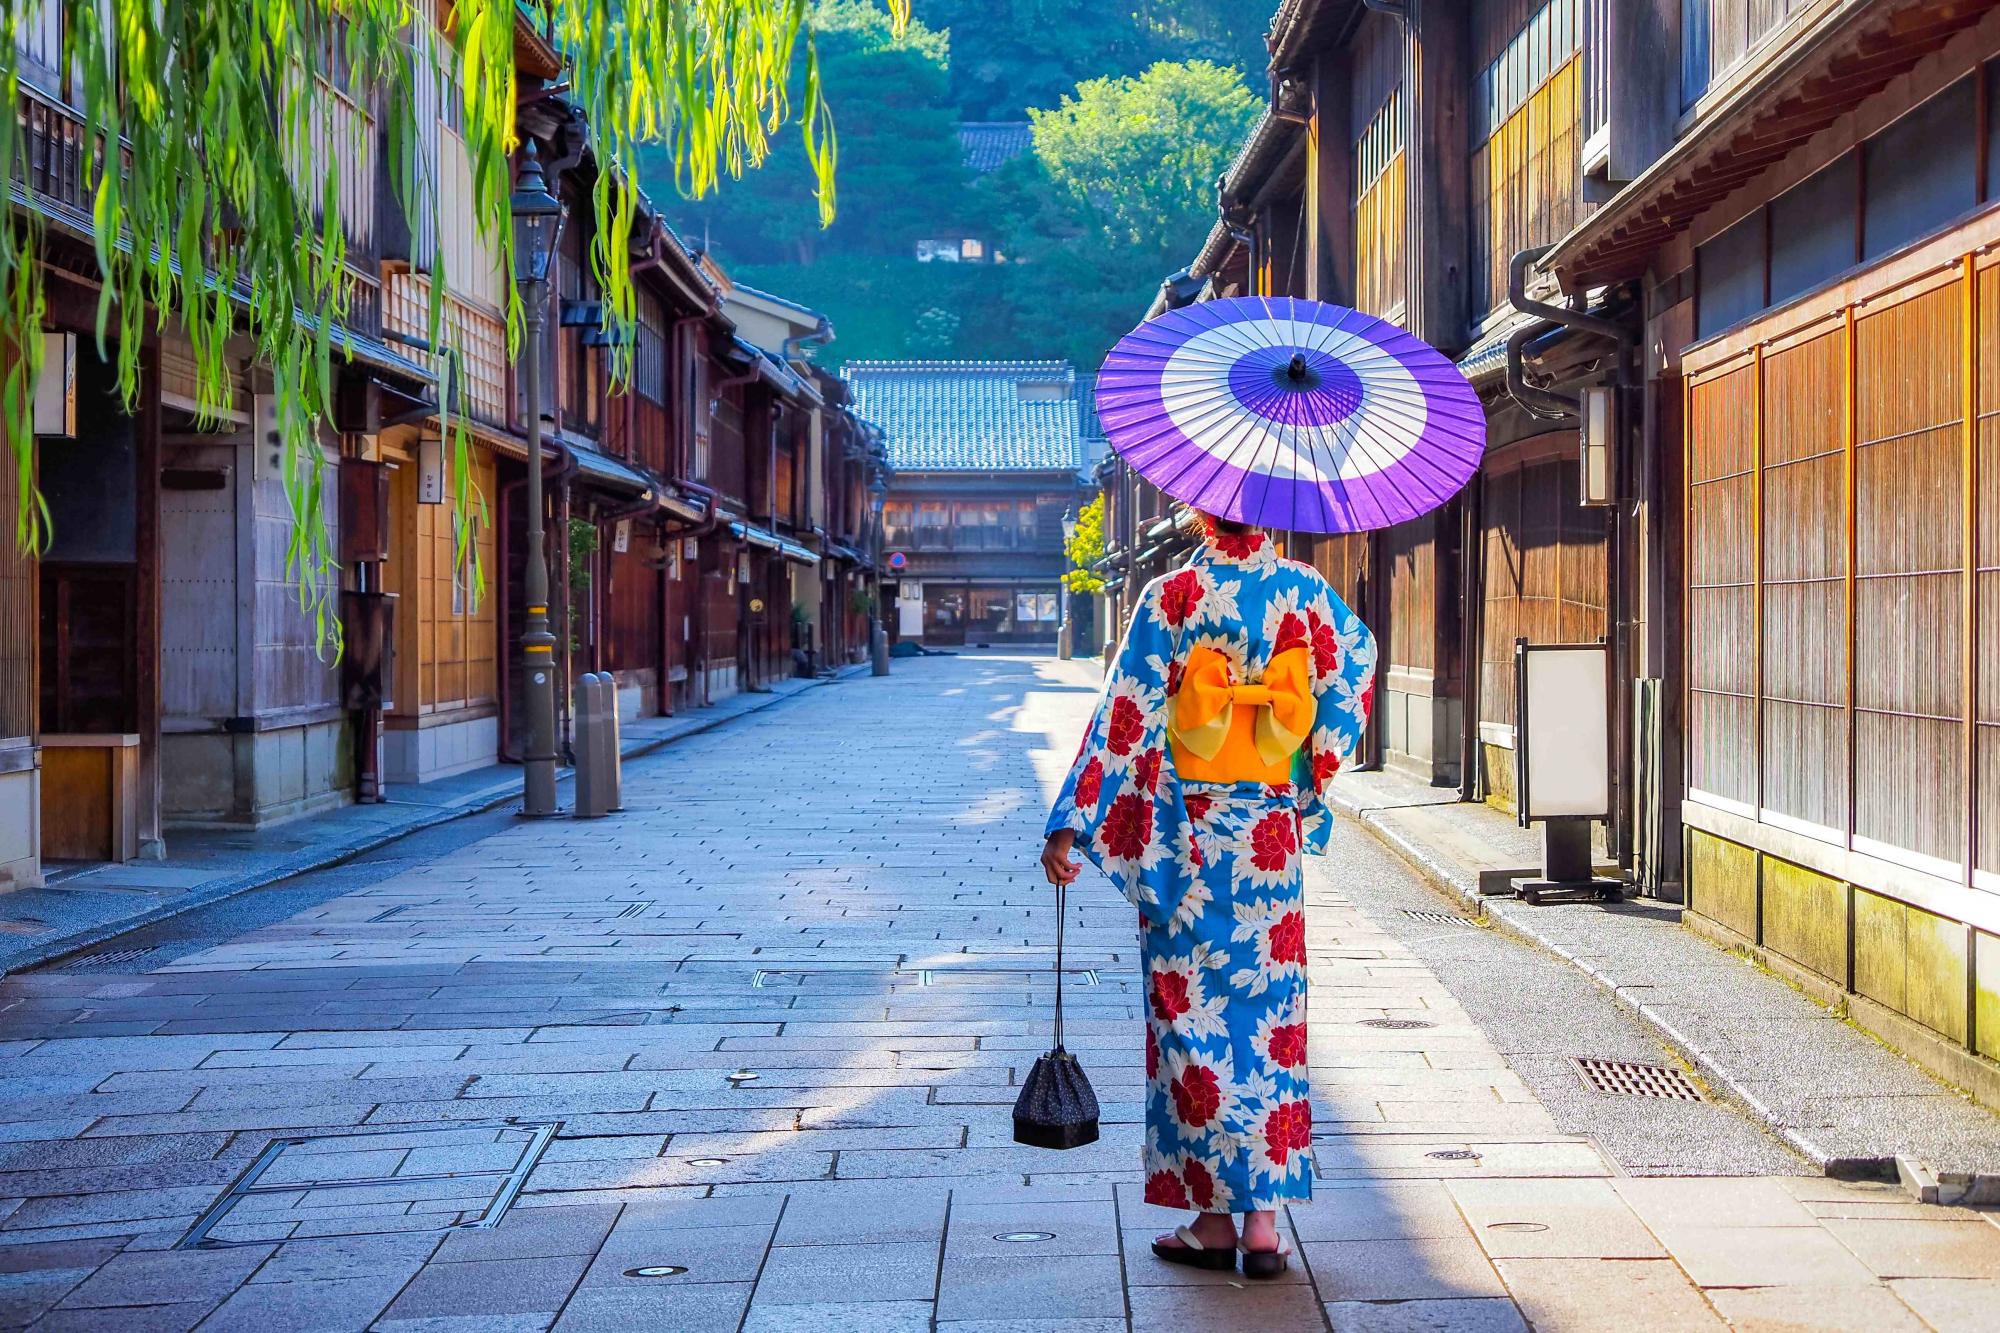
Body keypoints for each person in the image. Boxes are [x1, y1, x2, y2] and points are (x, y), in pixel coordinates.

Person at [1039, 513, 1376, 1279]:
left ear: (1199, 511)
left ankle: (1212, 1220)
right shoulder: (1305, 591)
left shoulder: (1173, 595)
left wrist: (1072, 823)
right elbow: (1356, 665)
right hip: (1267, 840)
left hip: (1188, 839)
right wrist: (1303, 770)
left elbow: (1122, 718)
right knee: (1270, 1026)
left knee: (1189, 1021)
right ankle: (1263, 1222)